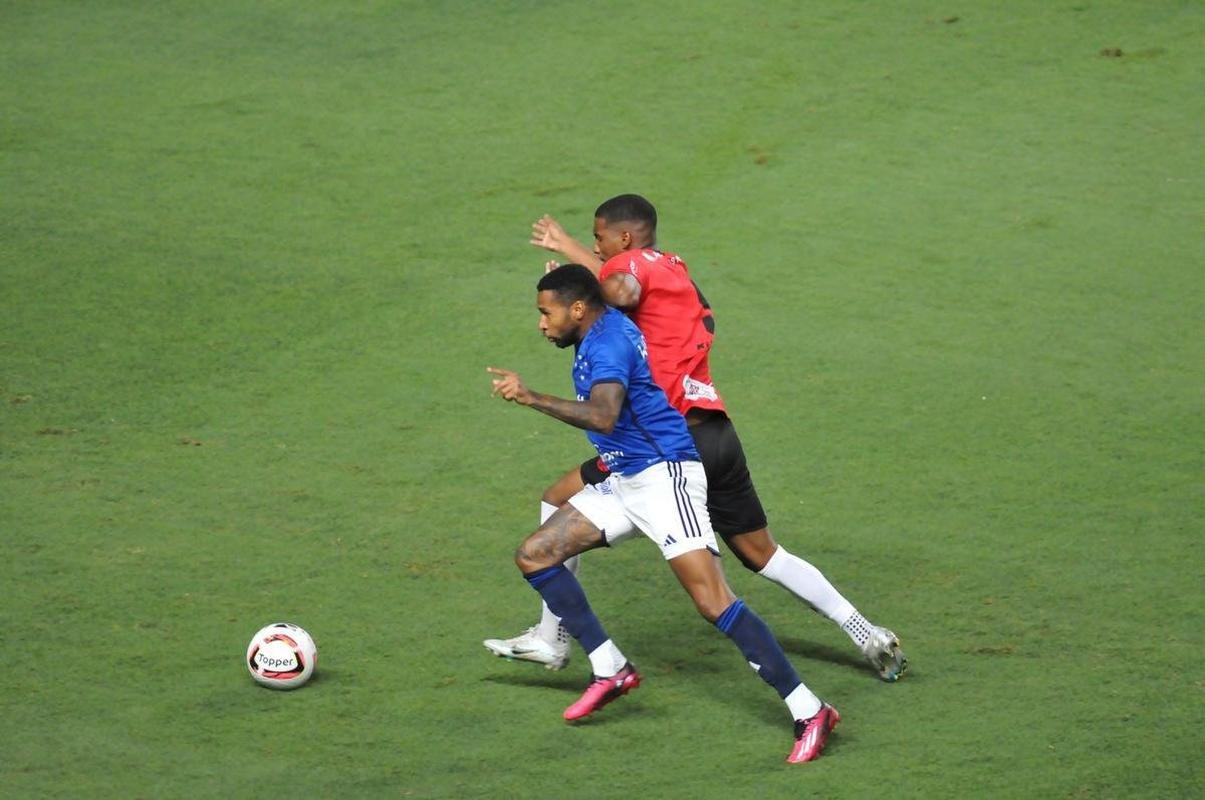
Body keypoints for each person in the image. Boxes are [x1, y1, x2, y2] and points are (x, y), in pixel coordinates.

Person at [484, 194, 907, 682]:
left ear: (625, 237)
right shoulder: (677, 274)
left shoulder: (632, 267)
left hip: (670, 445)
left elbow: (620, 290)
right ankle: (865, 631)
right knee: (763, 553)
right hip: (717, 433)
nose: (597, 249)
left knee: (558, 500)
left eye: (599, 239)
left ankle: (553, 637)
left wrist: (575, 276)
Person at [487, 264, 839, 763]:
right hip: (627, 475)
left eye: (547, 313)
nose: (542, 324)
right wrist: (572, 269)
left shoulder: (608, 345)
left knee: (714, 602)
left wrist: (530, 397)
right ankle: (610, 668)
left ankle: (810, 709)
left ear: (578, 309)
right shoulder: (598, 323)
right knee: (536, 554)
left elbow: (604, 415)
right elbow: (616, 290)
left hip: (664, 476)